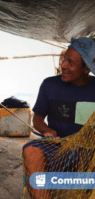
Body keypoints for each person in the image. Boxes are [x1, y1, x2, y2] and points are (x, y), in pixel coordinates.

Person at [23, 37, 95, 199]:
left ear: (86, 69)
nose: (63, 65)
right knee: (31, 150)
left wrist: (82, 144)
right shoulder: (50, 85)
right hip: (58, 149)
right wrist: (47, 130)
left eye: (71, 62)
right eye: (64, 59)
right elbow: (38, 118)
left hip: (90, 152)